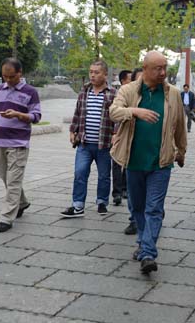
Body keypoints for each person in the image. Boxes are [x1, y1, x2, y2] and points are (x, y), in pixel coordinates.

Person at [110, 51, 187, 274]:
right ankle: (144, 242)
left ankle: (147, 253)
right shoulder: (128, 90)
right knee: (137, 207)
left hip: (161, 162)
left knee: (154, 208)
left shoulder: (173, 93)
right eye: (157, 68)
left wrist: (181, 151)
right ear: (145, 69)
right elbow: (114, 112)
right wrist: (134, 111)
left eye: (165, 68)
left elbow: (180, 125)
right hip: (133, 160)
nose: (163, 72)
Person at [0, 58, 42, 233]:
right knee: (6, 178)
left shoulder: (30, 92)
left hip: (18, 143)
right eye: (4, 76)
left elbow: (36, 116)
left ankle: (6, 218)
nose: (8, 79)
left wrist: (18, 114)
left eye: (11, 76)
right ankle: (22, 202)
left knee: (13, 181)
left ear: (20, 73)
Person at [61, 60, 117, 218]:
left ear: (105, 74)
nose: (92, 75)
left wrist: (116, 134)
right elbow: (78, 113)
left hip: (104, 144)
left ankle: (102, 202)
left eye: (96, 72)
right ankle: (78, 205)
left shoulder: (113, 93)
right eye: (91, 72)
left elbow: (117, 117)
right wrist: (72, 130)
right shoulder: (84, 92)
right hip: (84, 143)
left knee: (104, 176)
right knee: (80, 172)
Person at [114, 70, 137, 235]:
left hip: (154, 156)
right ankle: (134, 219)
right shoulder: (125, 94)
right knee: (132, 189)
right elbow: (114, 113)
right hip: (128, 148)